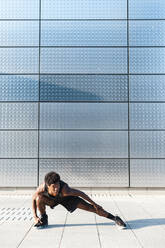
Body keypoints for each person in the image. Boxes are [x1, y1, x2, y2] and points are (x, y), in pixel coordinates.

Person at [32, 171, 126, 229]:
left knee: (92, 208)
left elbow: (81, 193)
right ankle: (43, 218)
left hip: (67, 199)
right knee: (39, 198)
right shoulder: (41, 189)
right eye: (53, 187)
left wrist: (94, 204)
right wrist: (35, 216)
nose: (56, 188)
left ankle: (115, 218)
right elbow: (33, 199)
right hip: (52, 200)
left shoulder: (65, 189)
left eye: (58, 185)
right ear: (48, 185)